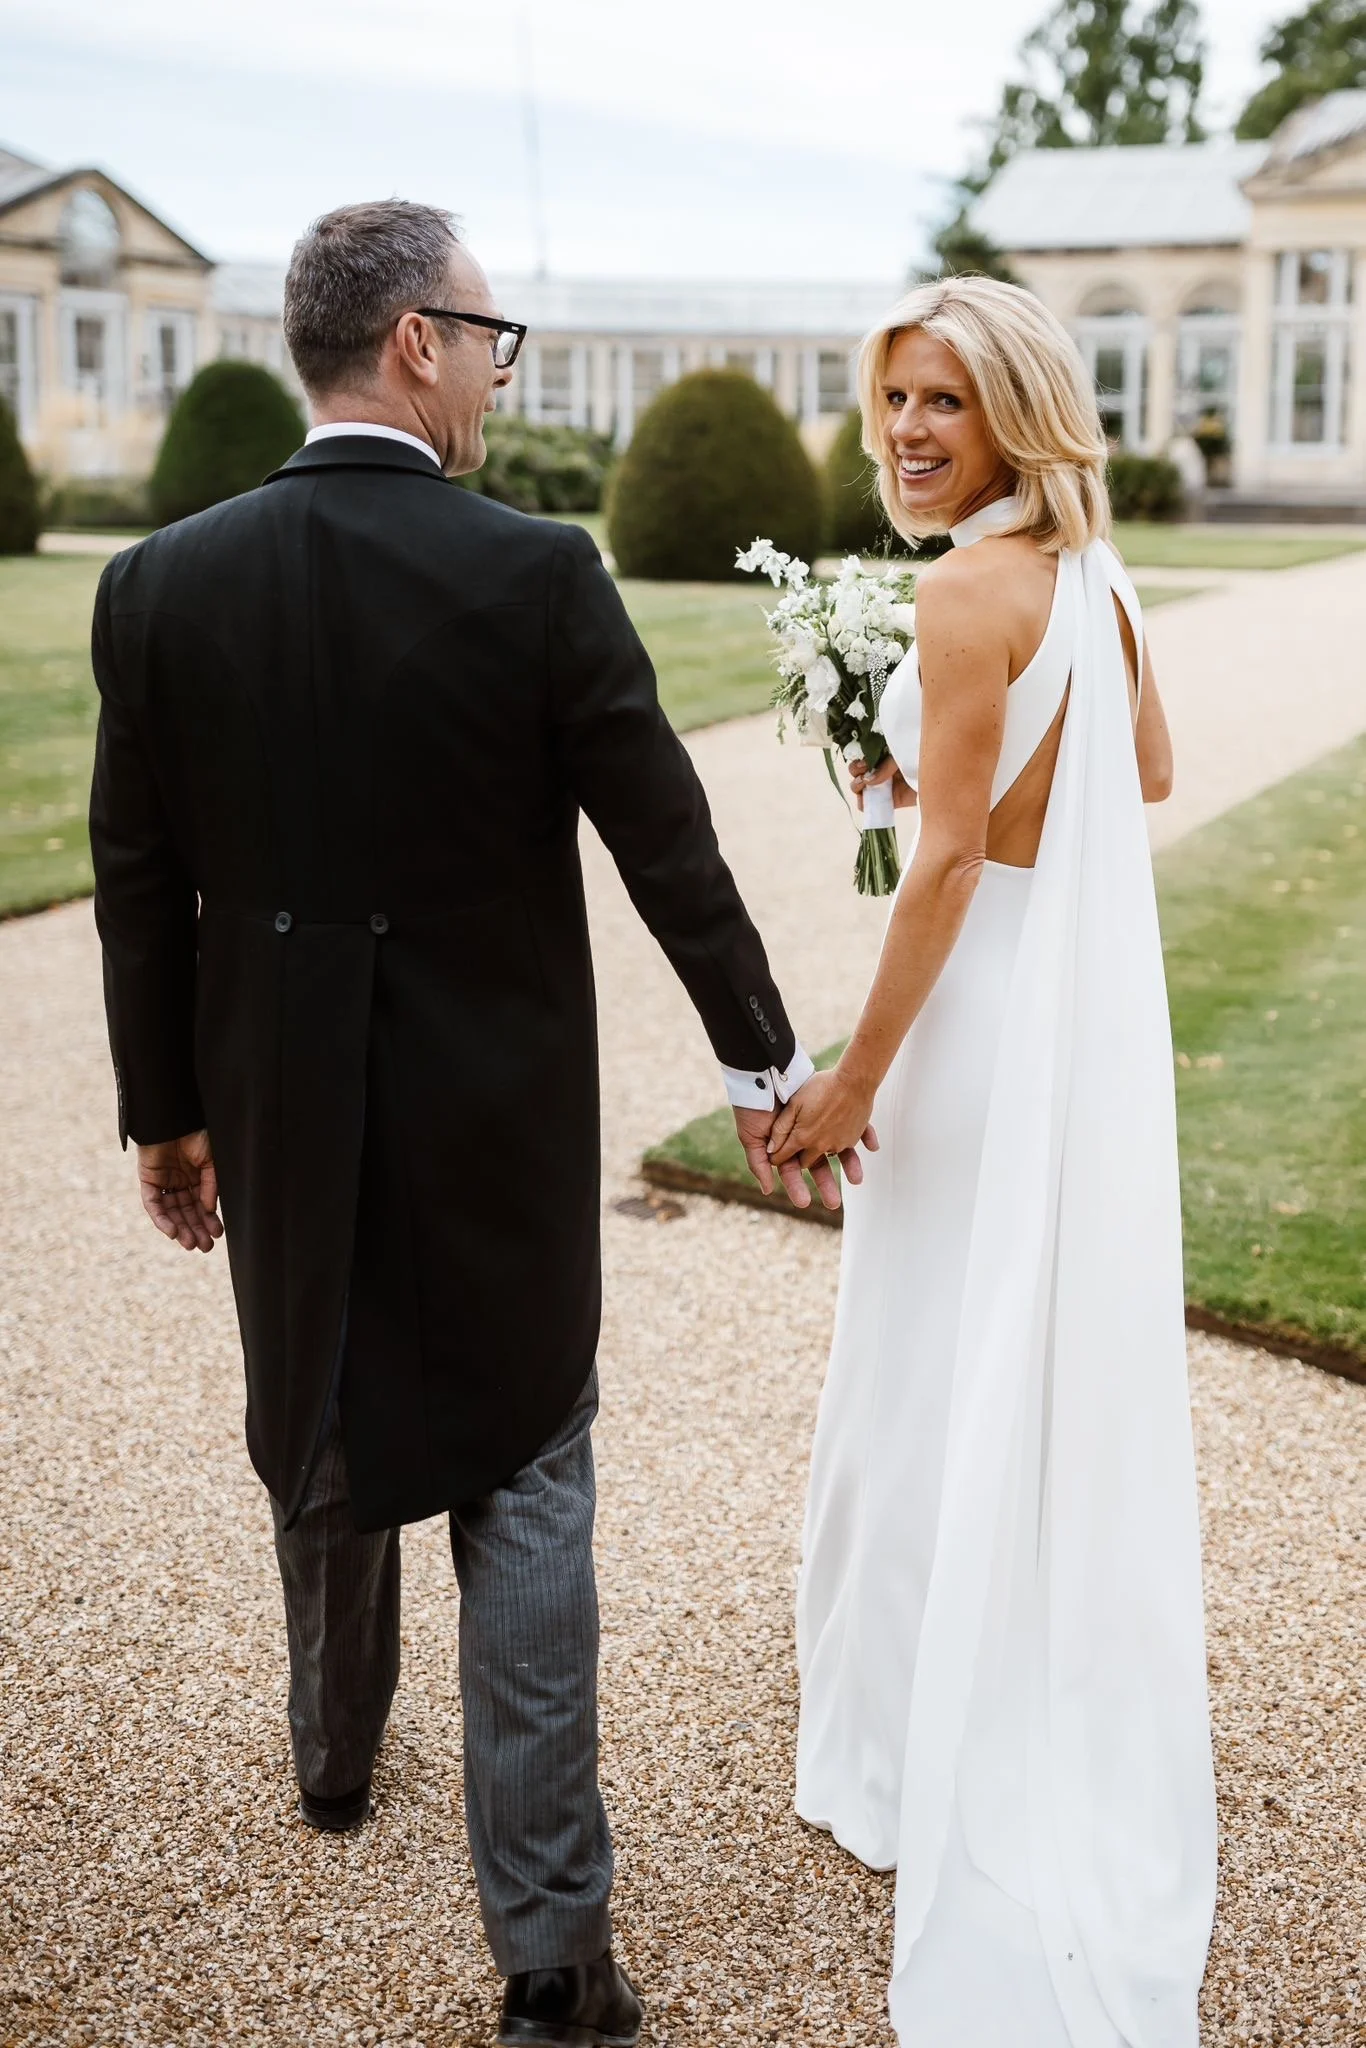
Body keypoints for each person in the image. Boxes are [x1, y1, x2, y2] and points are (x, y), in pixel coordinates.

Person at [87, 199, 868, 2048]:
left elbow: (141, 888)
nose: (501, 378)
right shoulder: (538, 574)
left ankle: (332, 1756)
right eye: (494, 340)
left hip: (276, 1104)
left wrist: (165, 1120)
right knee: (524, 1472)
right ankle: (551, 1964)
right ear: (418, 342)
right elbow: (663, 841)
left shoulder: (159, 583)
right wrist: (763, 1070)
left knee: (323, 1391)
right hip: (493, 1122)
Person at [769, 276, 1217, 2045]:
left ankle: (901, 1732)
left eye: (940, 404)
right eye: (890, 404)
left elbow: (944, 866)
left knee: (917, 1354)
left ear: (1015, 410)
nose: (903, 435)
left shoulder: (960, 591)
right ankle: (1019, 1670)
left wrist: (847, 1075)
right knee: (1019, 1349)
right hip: (1075, 1021)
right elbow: (1152, 768)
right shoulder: (1092, 577)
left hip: (969, 1025)